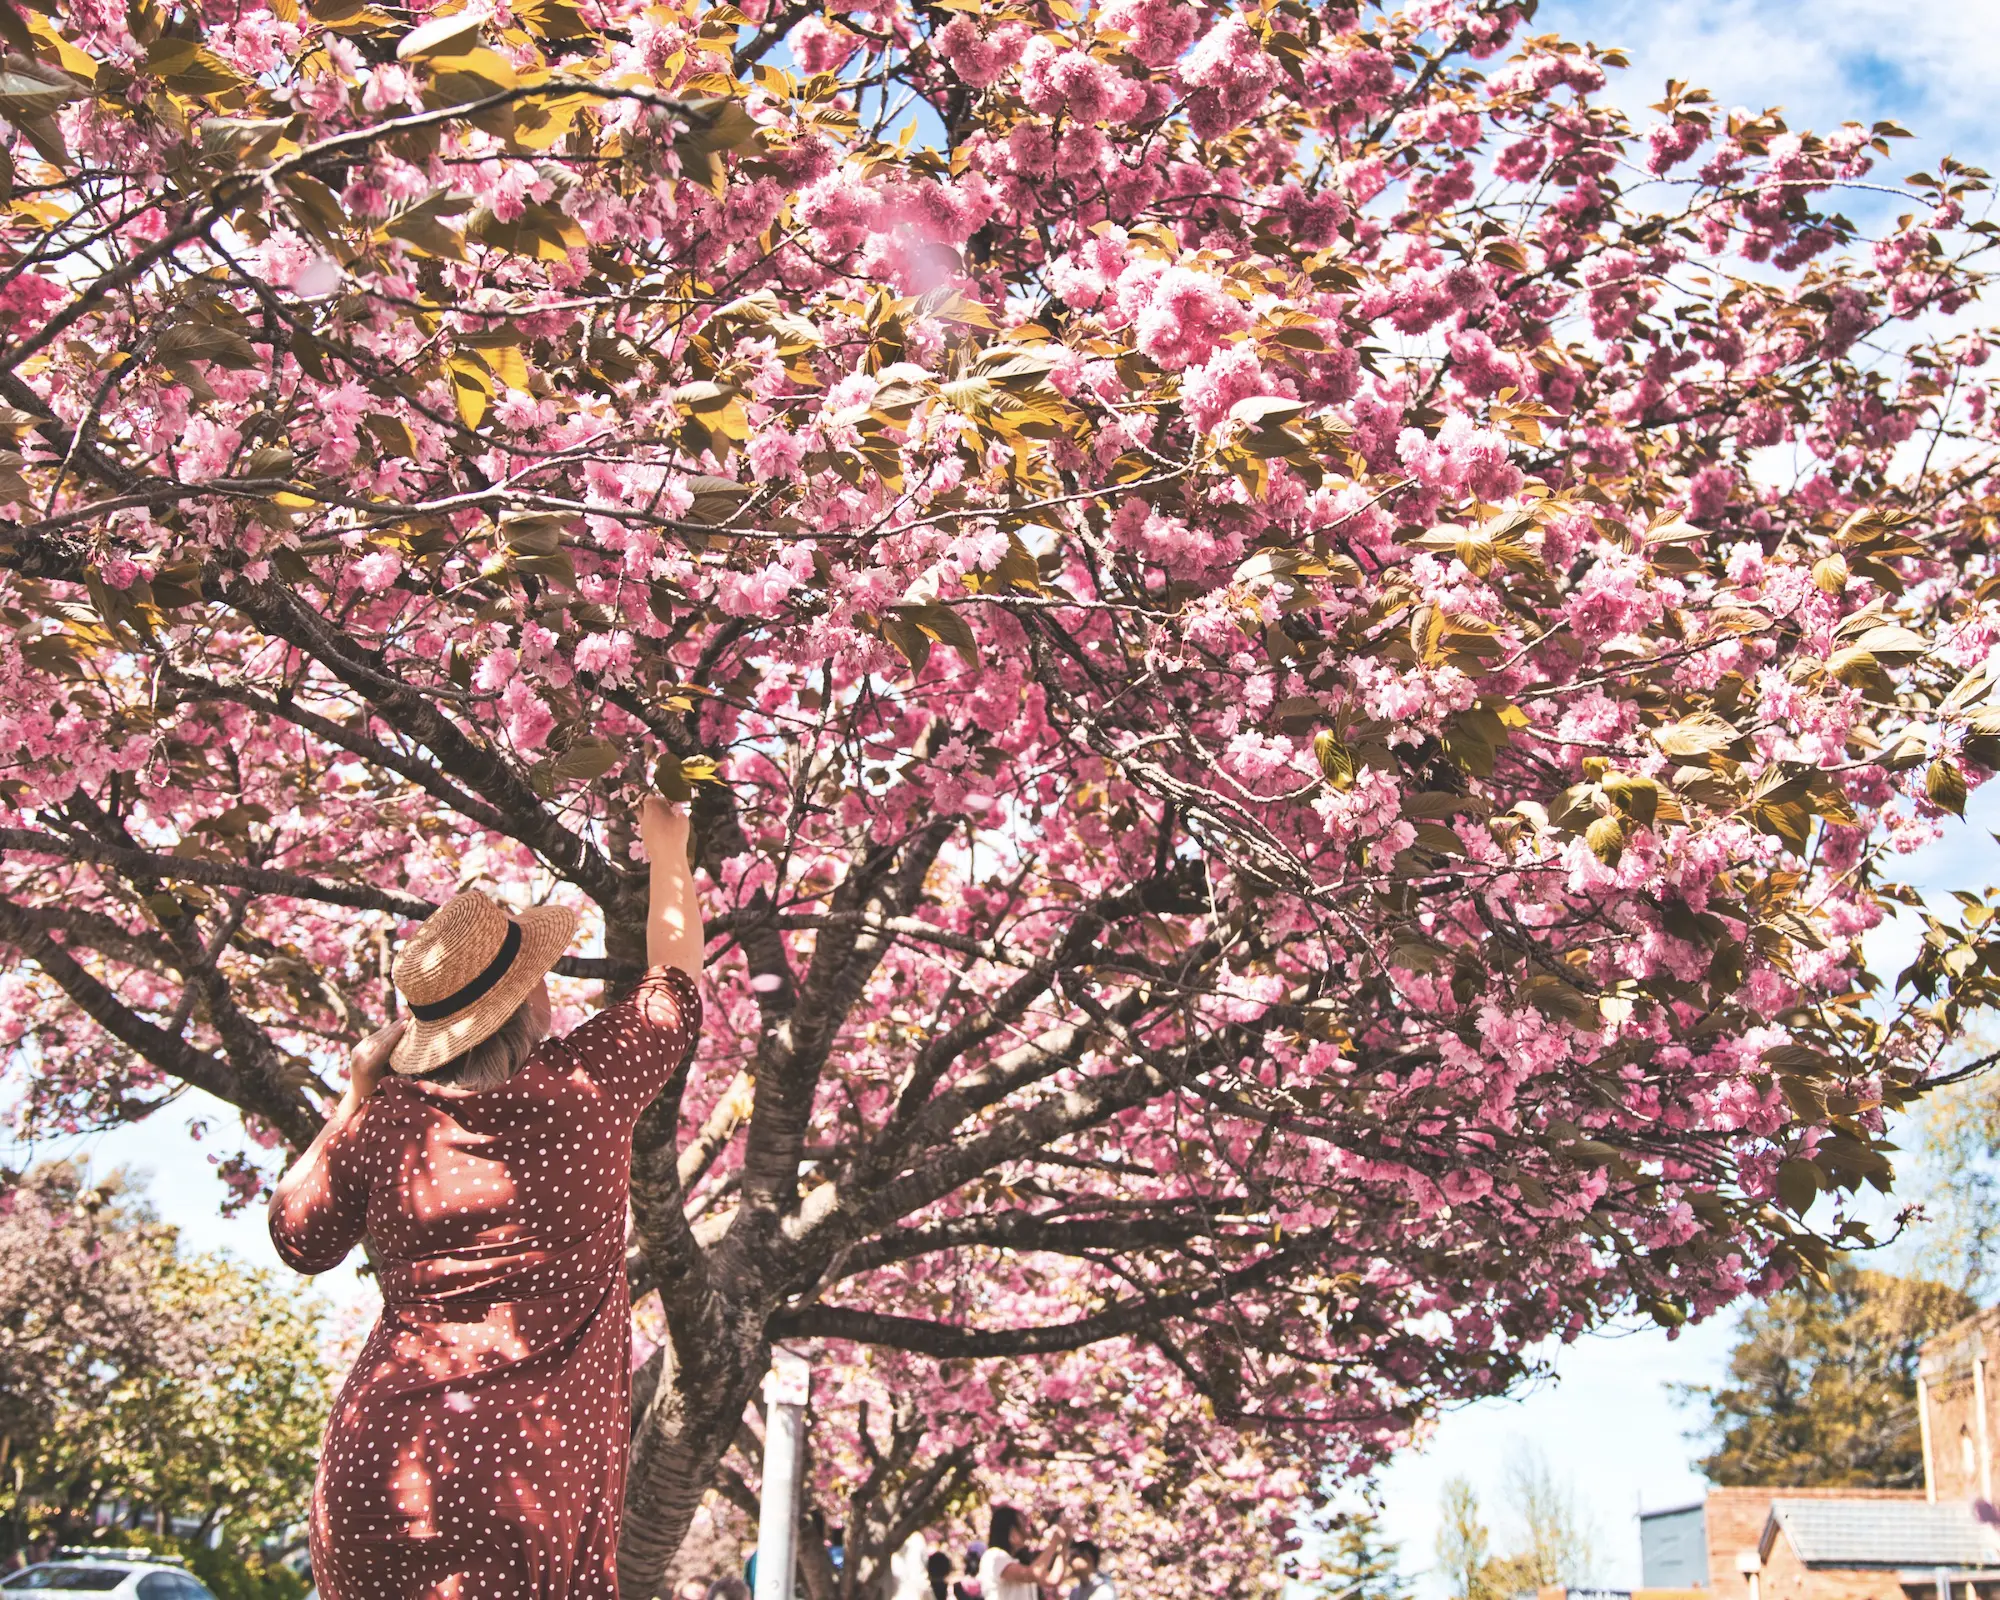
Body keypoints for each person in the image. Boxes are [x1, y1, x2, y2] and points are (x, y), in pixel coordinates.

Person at [269, 796, 705, 1600]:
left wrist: (355, 1093)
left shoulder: (387, 1123)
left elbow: (299, 1236)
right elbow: (672, 987)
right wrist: (668, 850)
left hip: (378, 1466)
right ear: (529, 999)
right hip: (521, 1476)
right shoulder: (585, 1086)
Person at [977, 1509, 1066, 1600]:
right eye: (1022, 1526)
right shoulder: (994, 1556)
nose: (1026, 1531)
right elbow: (1032, 1574)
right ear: (1011, 1532)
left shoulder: (1018, 1560)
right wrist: (1053, 1544)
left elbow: (1053, 1579)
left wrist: (1064, 1545)